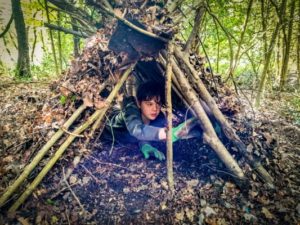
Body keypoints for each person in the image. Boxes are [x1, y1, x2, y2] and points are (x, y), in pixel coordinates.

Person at [102, 80, 202, 161]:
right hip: (107, 130)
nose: (155, 108)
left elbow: (144, 134)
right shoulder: (130, 109)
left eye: (158, 104)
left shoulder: (158, 117)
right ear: (139, 103)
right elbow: (137, 130)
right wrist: (167, 134)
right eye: (149, 104)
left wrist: (145, 145)